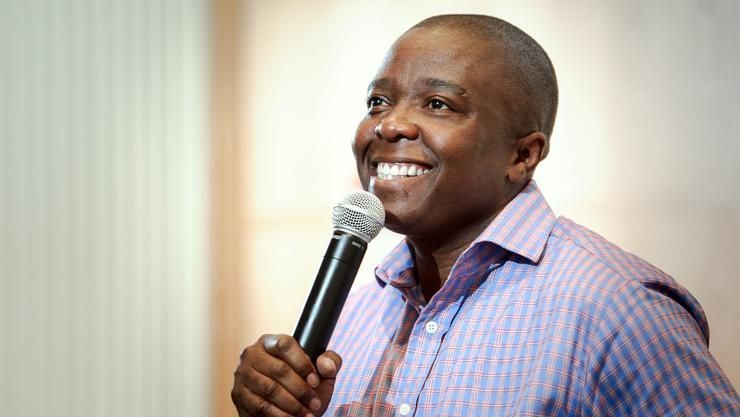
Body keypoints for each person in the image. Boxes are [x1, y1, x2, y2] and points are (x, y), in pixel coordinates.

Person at [232, 14, 740, 416]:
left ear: (522, 155)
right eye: (378, 101)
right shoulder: (355, 314)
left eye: (437, 104)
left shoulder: (618, 308)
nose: (389, 125)